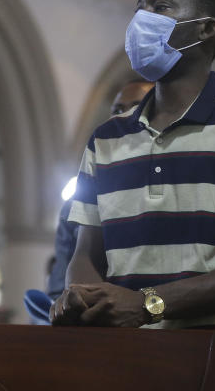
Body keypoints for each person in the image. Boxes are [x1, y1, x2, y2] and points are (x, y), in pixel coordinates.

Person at [51, 0, 215, 329]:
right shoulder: (107, 137)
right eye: (140, 7)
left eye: (160, 6)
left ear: (206, 28)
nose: (141, 19)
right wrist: (84, 294)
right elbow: (86, 252)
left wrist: (150, 305)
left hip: (213, 358)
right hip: (121, 353)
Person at [45, 79, 154, 299]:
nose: (121, 115)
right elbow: (60, 282)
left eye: (134, 106)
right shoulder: (79, 198)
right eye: (117, 109)